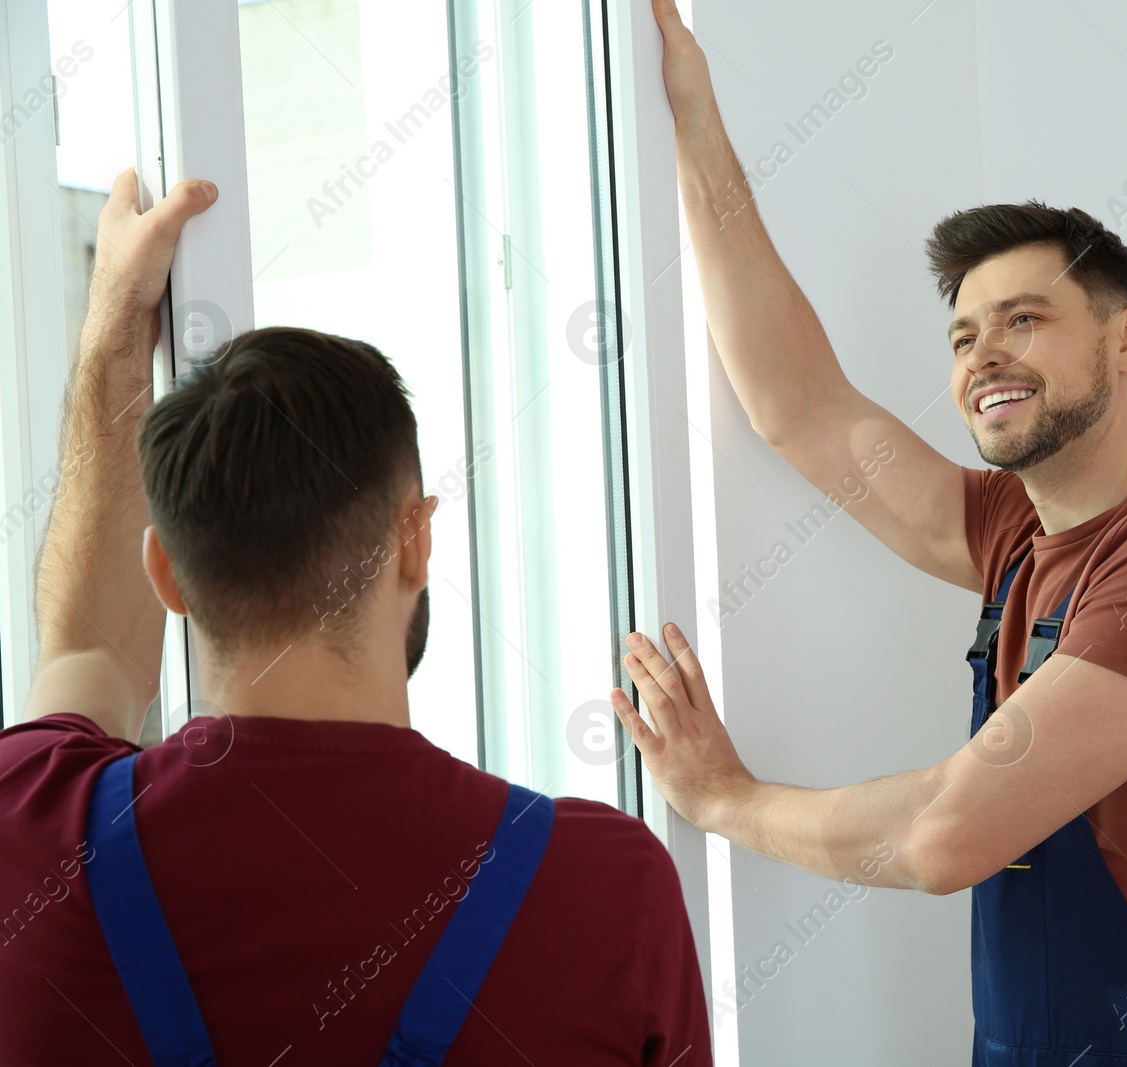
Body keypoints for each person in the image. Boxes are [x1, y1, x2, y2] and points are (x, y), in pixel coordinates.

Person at [606, 4, 1127, 1064]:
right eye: (962, 334)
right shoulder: (1013, 532)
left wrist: (727, 799)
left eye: (1023, 318)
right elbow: (798, 403)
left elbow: (950, 833)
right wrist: (690, 119)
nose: (982, 353)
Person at [0, 171, 710, 1066]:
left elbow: (89, 647)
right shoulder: (606, 887)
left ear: (167, 575)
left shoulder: (31, 832)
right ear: (415, 541)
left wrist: (115, 330)